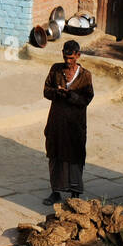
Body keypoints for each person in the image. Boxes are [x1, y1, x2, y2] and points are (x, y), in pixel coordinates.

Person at [43, 40, 94, 205]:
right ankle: (55, 192)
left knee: (75, 156)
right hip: (56, 123)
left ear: (78, 56)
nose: (68, 61)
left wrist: (72, 96)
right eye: (65, 58)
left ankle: (75, 193)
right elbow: (46, 91)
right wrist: (57, 93)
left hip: (75, 125)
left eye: (71, 58)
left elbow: (87, 98)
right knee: (55, 155)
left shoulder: (85, 76)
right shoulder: (55, 69)